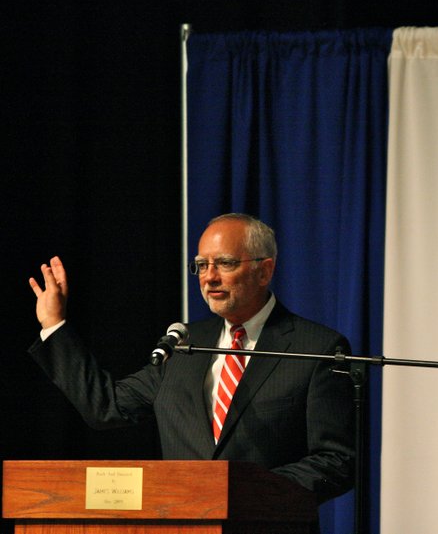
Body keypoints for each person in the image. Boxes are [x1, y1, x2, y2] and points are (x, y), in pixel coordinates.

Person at [28, 213, 355, 504]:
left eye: (225, 263)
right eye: (201, 265)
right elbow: (106, 407)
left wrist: (247, 493)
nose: (209, 277)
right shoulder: (182, 345)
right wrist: (54, 325)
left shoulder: (316, 348)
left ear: (264, 270)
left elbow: (336, 460)